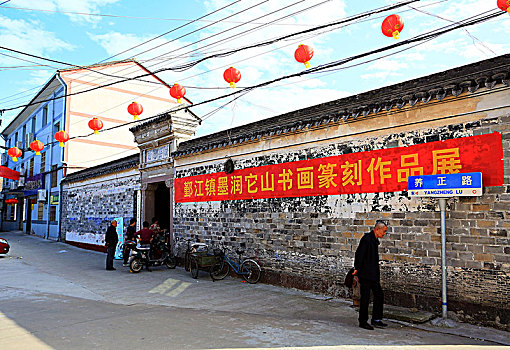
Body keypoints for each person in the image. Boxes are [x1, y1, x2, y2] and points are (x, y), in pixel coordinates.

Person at [354, 220, 388, 330]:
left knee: (379, 295)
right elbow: (359, 255)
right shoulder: (367, 239)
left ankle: (376, 319)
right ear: (377, 229)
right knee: (365, 298)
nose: (384, 234)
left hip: (373, 275)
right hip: (365, 274)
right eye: (384, 231)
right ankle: (363, 321)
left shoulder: (374, 240)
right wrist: (356, 270)